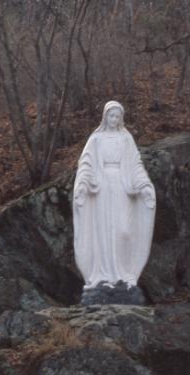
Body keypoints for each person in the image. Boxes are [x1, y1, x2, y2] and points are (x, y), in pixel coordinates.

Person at [73, 100, 155, 292]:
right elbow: (86, 164)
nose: (114, 119)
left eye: (118, 117)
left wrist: (144, 185)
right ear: (105, 117)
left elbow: (135, 164)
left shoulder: (126, 139)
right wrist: (83, 185)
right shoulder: (96, 140)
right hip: (102, 187)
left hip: (121, 185)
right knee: (104, 230)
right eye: (111, 116)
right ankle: (103, 275)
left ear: (121, 119)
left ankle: (124, 273)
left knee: (123, 230)